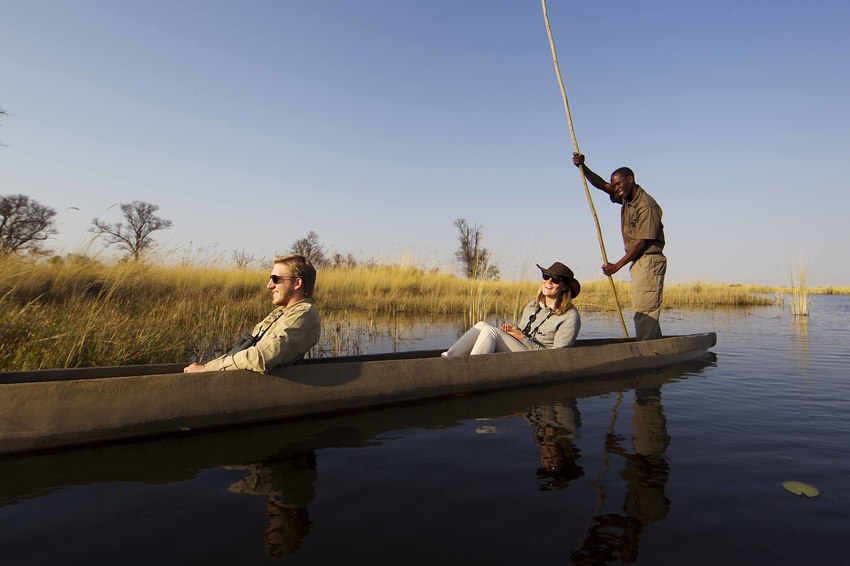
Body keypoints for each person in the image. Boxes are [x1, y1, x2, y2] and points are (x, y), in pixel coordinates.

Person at [573, 153, 666, 340]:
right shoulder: (626, 197)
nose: (615, 188)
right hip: (639, 261)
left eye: (618, 184)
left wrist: (616, 266)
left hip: (648, 260)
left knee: (644, 312)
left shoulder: (646, 206)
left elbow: (641, 243)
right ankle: (655, 346)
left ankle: (647, 352)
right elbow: (601, 185)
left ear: (630, 180)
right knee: (644, 310)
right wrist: (583, 167)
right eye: (614, 185)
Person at [184, 254, 321, 374]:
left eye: (275, 279)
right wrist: (207, 366)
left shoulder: (304, 315)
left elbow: (259, 357)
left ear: (297, 283)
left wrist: (208, 369)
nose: (269, 285)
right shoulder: (283, 312)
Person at [442, 262, 581, 356]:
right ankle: (447, 359)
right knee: (481, 325)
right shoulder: (532, 306)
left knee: (491, 332)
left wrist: (521, 337)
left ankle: (468, 372)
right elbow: (521, 333)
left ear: (565, 287)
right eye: (546, 276)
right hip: (520, 350)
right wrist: (513, 331)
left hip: (539, 360)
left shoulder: (570, 316)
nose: (549, 281)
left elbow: (557, 356)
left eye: (555, 280)